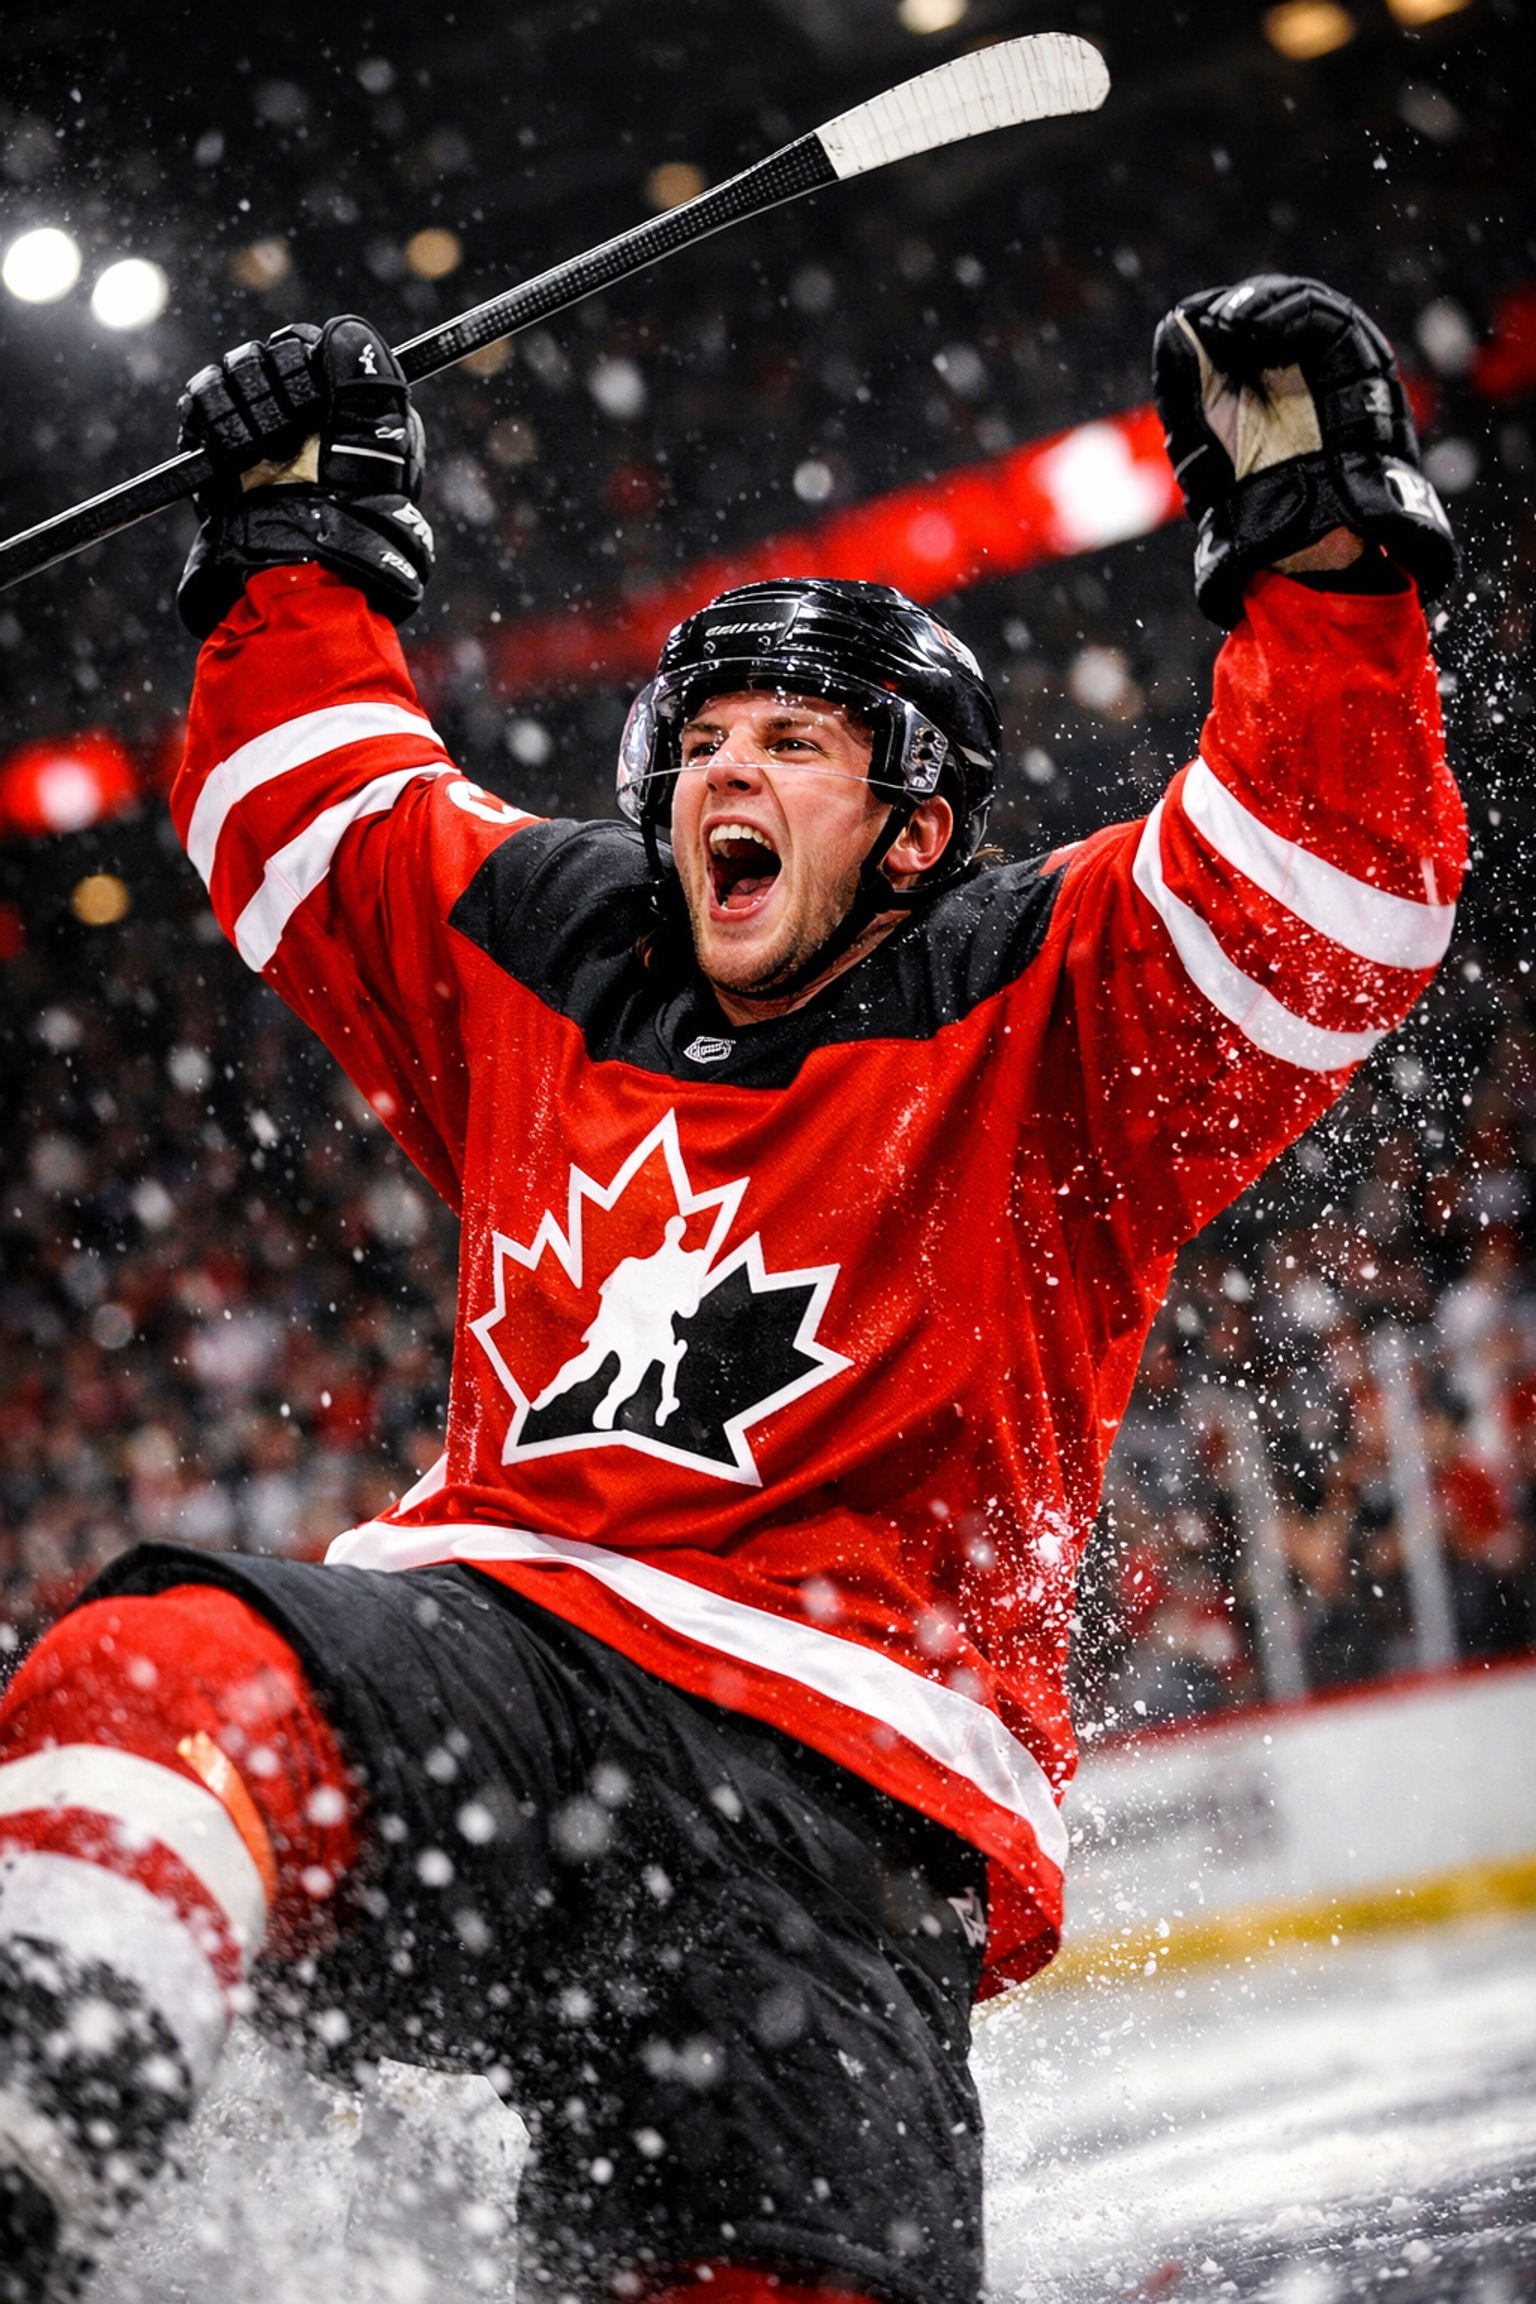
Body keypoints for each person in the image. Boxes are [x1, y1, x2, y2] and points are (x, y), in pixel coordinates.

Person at [0, 276, 1464, 2304]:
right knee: (159, 1672)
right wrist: (289, 551)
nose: (723, 777)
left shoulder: (1041, 1002)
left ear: (917, 825)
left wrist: (1323, 555)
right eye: (696, 743)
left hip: (843, 1836)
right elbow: (305, 826)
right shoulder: (561, 955)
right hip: (511, 1682)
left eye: (791, 742)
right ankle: (38, 2138)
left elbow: (1329, 890)